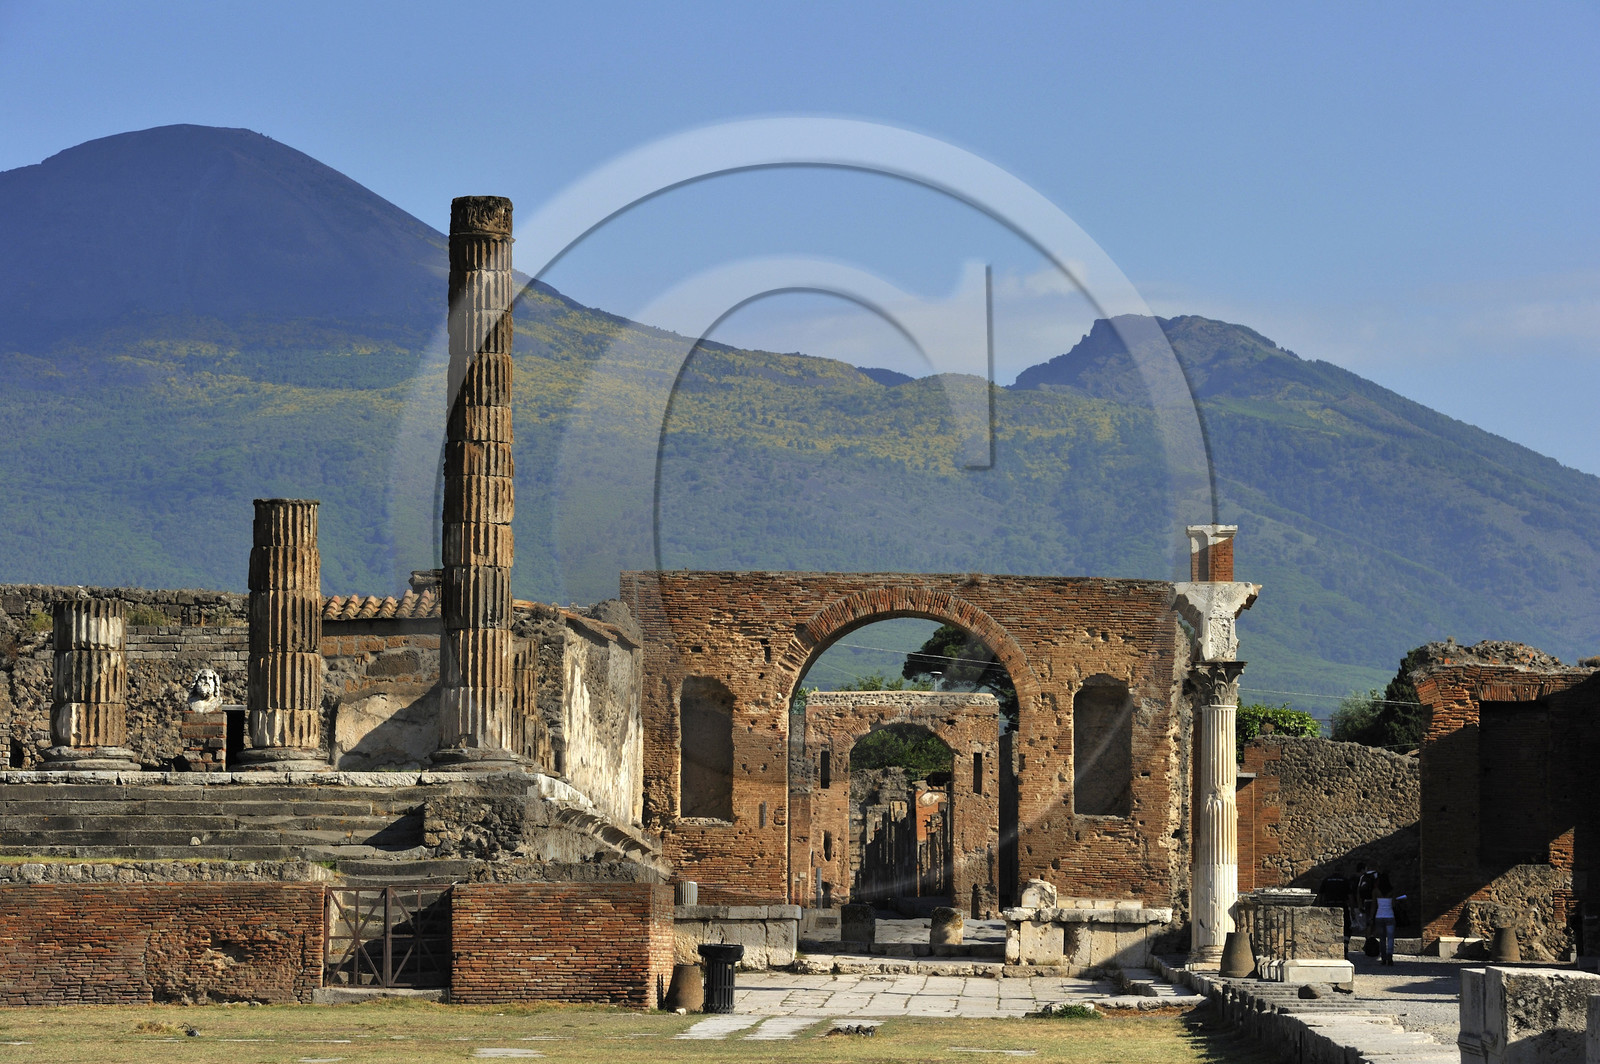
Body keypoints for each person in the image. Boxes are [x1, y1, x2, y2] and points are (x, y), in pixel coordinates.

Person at [1372, 873, 1407, 966]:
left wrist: (1371, 917)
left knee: (1382, 939)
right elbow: (1393, 905)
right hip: (1390, 916)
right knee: (1390, 938)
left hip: (1379, 916)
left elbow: (1374, 905)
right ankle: (1390, 957)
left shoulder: (1376, 891)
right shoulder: (1392, 891)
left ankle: (1383, 958)